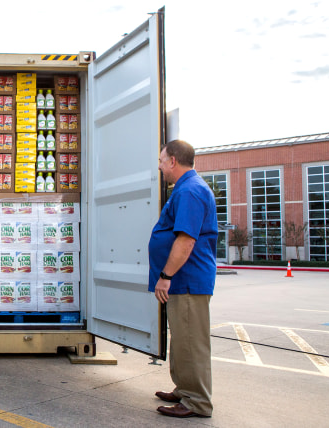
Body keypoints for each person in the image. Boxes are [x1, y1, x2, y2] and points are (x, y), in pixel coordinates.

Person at [148, 140, 217, 418]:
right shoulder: (185, 189)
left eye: (162, 161)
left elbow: (186, 240)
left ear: (173, 160)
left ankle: (197, 401)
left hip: (186, 279)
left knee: (191, 341)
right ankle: (184, 389)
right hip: (182, 281)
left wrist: (166, 276)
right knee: (181, 338)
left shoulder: (190, 191)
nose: (161, 167)